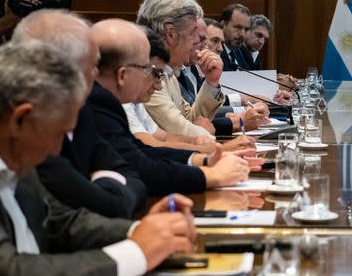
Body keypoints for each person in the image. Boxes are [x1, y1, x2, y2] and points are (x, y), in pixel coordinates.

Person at [0, 40, 195, 276]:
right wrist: (136, 253)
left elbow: (61, 222)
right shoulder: (22, 156)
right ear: (20, 119)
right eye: (58, 133)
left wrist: (141, 230)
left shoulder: (18, 157)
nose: (57, 149)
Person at [89, 19, 260, 196]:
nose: (198, 44)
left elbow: (144, 149)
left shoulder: (113, 98)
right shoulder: (98, 101)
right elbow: (140, 162)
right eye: (149, 70)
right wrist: (209, 173)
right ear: (170, 34)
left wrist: (204, 158)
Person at [14, 10, 147, 218]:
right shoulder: (32, 129)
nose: (97, 74)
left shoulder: (81, 110)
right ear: (67, 70)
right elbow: (110, 207)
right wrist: (108, 182)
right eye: (93, 65)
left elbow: (134, 177)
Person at [137, 0, 226, 138]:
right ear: (171, 34)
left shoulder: (169, 71)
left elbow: (190, 119)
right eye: (192, 34)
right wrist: (205, 134)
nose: (194, 43)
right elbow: (180, 130)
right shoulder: (145, 74)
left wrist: (211, 82)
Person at [219, 3, 255, 71]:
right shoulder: (215, 51)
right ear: (223, 25)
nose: (242, 34)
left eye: (246, 29)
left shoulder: (242, 51)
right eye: (238, 27)